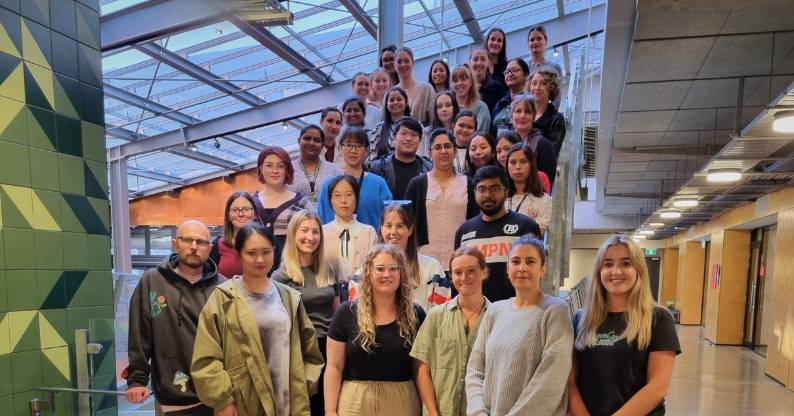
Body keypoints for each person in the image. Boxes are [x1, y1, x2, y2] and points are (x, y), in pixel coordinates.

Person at [191, 223, 324, 416]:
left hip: (290, 403)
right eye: (251, 253)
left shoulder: (289, 297)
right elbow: (205, 358)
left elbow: (310, 352)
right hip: (243, 404)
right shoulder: (223, 298)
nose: (260, 259)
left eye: (266, 252)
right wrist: (222, 400)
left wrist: (303, 384)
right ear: (239, 255)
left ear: (274, 252)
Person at [567, 236, 681, 416]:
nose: (616, 271)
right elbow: (570, 382)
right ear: (599, 271)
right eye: (608, 264)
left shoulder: (658, 319)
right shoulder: (580, 319)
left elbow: (657, 388)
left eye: (626, 263)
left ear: (638, 270)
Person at [466, 236, 574, 416]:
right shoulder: (495, 311)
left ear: (543, 269)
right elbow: (475, 370)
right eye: (515, 261)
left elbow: (551, 379)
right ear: (508, 269)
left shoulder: (555, 311)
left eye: (530, 261)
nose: (522, 268)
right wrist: (478, 413)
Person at [126, 220, 223, 415]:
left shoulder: (223, 287)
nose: (194, 247)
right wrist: (137, 380)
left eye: (201, 242)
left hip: (216, 395)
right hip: (172, 396)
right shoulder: (152, 281)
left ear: (209, 248)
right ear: (175, 244)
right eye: (187, 240)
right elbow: (139, 333)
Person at [324, 244, 427, 416]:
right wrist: (330, 411)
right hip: (354, 403)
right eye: (380, 268)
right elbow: (334, 367)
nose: (387, 274)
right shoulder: (346, 313)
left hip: (402, 403)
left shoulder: (415, 314)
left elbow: (421, 370)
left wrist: (428, 410)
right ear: (368, 273)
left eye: (393, 268)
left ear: (401, 273)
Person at [272, 211, 342, 415]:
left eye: (315, 231)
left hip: (330, 348)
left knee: (329, 407)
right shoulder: (280, 276)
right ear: (293, 234)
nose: (310, 237)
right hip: (301, 351)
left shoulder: (328, 269)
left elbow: (337, 311)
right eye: (304, 230)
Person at [411, 246, 491, 416]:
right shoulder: (435, 316)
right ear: (451, 276)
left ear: (484, 272)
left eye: (471, 271)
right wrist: (433, 413)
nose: (464, 278)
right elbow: (423, 371)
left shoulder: (497, 318)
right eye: (458, 272)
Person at [454, 166, 541, 302]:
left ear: (506, 191)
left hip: (515, 311)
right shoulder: (464, 231)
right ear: (475, 192)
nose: (487, 195)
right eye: (482, 189)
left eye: (494, 188)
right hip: (475, 312)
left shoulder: (526, 227)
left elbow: (535, 273)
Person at [406, 128, 478, 273]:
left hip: (461, 259)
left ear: (455, 151)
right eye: (438, 147)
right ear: (430, 153)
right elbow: (407, 223)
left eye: (447, 146)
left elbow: (476, 222)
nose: (443, 151)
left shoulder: (470, 184)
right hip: (424, 260)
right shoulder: (417, 184)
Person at [317, 127, 392, 230]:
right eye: (348, 145)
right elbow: (321, 222)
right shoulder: (329, 185)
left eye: (358, 145)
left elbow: (389, 220)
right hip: (335, 243)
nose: (353, 150)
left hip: (372, 243)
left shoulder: (379, 184)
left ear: (366, 150)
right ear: (340, 148)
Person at [378, 203, 449, 311]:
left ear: (410, 230)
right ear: (382, 229)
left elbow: (443, 311)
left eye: (400, 226)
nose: (393, 232)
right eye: (388, 226)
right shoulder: (368, 268)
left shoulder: (432, 267)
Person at [252, 146, 314, 268]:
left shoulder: (302, 203)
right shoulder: (250, 203)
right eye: (269, 165)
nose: (275, 171)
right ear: (261, 168)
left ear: (287, 169)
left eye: (280, 166)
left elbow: (313, 238)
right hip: (256, 270)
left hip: (293, 272)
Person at [322, 175, 378, 281]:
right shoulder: (322, 232)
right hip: (329, 294)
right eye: (337, 195)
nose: (343, 200)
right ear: (330, 200)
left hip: (362, 293)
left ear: (356, 198)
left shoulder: (369, 232)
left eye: (348, 195)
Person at [369, 117, 433, 200]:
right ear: (394, 138)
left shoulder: (429, 169)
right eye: (404, 133)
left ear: (419, 140)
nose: (409, 138)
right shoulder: (378, 168)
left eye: (414, 135)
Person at [289, 124, 344, 203]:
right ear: (299, 141)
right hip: (294, 215)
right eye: (307, 138)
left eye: (317, 140)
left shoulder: (335, 170)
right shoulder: (287, 169)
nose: (311, 143)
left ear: (322, 145)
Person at [511, 94, 557, 187]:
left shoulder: (544, 145)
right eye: (518, 111)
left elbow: (546, 184)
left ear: (534, 116)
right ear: (511, 115)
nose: (522, 116)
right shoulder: (504, 142)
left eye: (528, 112)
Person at [506, 143, 553, 234]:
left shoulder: (543, 199)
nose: (518, 167)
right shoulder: (499, 197)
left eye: (523, 162)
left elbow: (538, 232)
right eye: (513, 162)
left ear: (531, 165)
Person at [210, 191, 256, 278]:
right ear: (228, 215)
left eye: (246, 209)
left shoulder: (265, 243)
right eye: (235, 210)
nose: (241, 214)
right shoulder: (216, 245)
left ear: (254, 213)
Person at [530, 69, 567, 156]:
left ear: (551, 88)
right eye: (534, 83)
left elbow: (551, 154)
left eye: (543, 83)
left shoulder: (557, 119)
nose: (537, 88)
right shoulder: (524, 113)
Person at [395, 46, 435, 125]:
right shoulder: (390, 93)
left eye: (406, 61)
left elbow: (435, 119)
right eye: (399, 62)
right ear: (394, 65)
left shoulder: (426, 89)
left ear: (413, 63)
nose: (403, 65)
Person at [491, 58, 531, 136]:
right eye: (507, 72)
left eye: (514, 70)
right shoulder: (500, 104)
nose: (509, 74)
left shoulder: (531, 102)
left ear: (525, 75)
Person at [370, 86, 411, 160]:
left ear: (406, 102)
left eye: (399, 99)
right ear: (386, 105)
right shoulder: (379, 128)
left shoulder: (417, 126)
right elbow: (371, 157)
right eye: (391, 100)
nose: (395, 102)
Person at [527, 25, 564, 106]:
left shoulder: (554, 67)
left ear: (546, 41)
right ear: (528, 43)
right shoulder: (524, 68)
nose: (535, 42)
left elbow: (557, 98)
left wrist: (548, 116)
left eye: (539, 38)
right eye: (532, 40)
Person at [450, 65, 491, 134]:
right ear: (451, 85)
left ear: (471, 82)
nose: (459, 83)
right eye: (455, 80)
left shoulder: (481, 107)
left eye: (463, 79)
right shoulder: (448, 106)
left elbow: (480, 135)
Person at [469, 48, 507, 113]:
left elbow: (503, 112)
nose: (479, 63)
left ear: (488, 63)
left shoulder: (497, 87)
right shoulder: (465, 87)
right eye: (475, 59)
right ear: (469, 62)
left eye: (483, 59)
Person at [422, 91, 459, 157]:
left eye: (448, 105)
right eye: (439, 106)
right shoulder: (427, 132)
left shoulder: (460, 131)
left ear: (454, 108)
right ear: (435, 111)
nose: (444, 109)